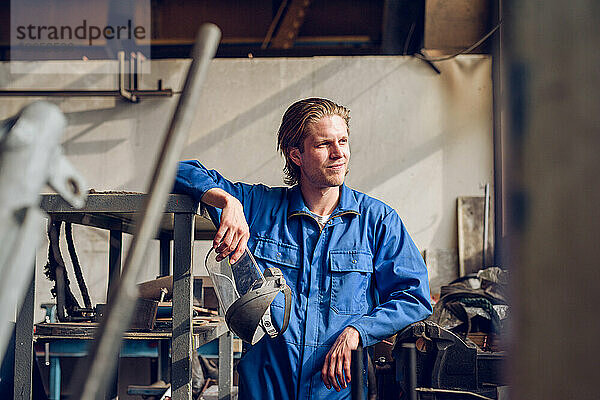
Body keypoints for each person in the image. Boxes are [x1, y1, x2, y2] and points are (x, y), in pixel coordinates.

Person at [173, 98, 432, 399]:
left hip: (337, 391)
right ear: (296, 154)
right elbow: (177, 170)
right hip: (265, 389)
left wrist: (358, 332)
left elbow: (414, 296)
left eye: (343, 141)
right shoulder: (258, 207)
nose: (339, 154)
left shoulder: (377, 221)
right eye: (324, 144)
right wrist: (226, 201)